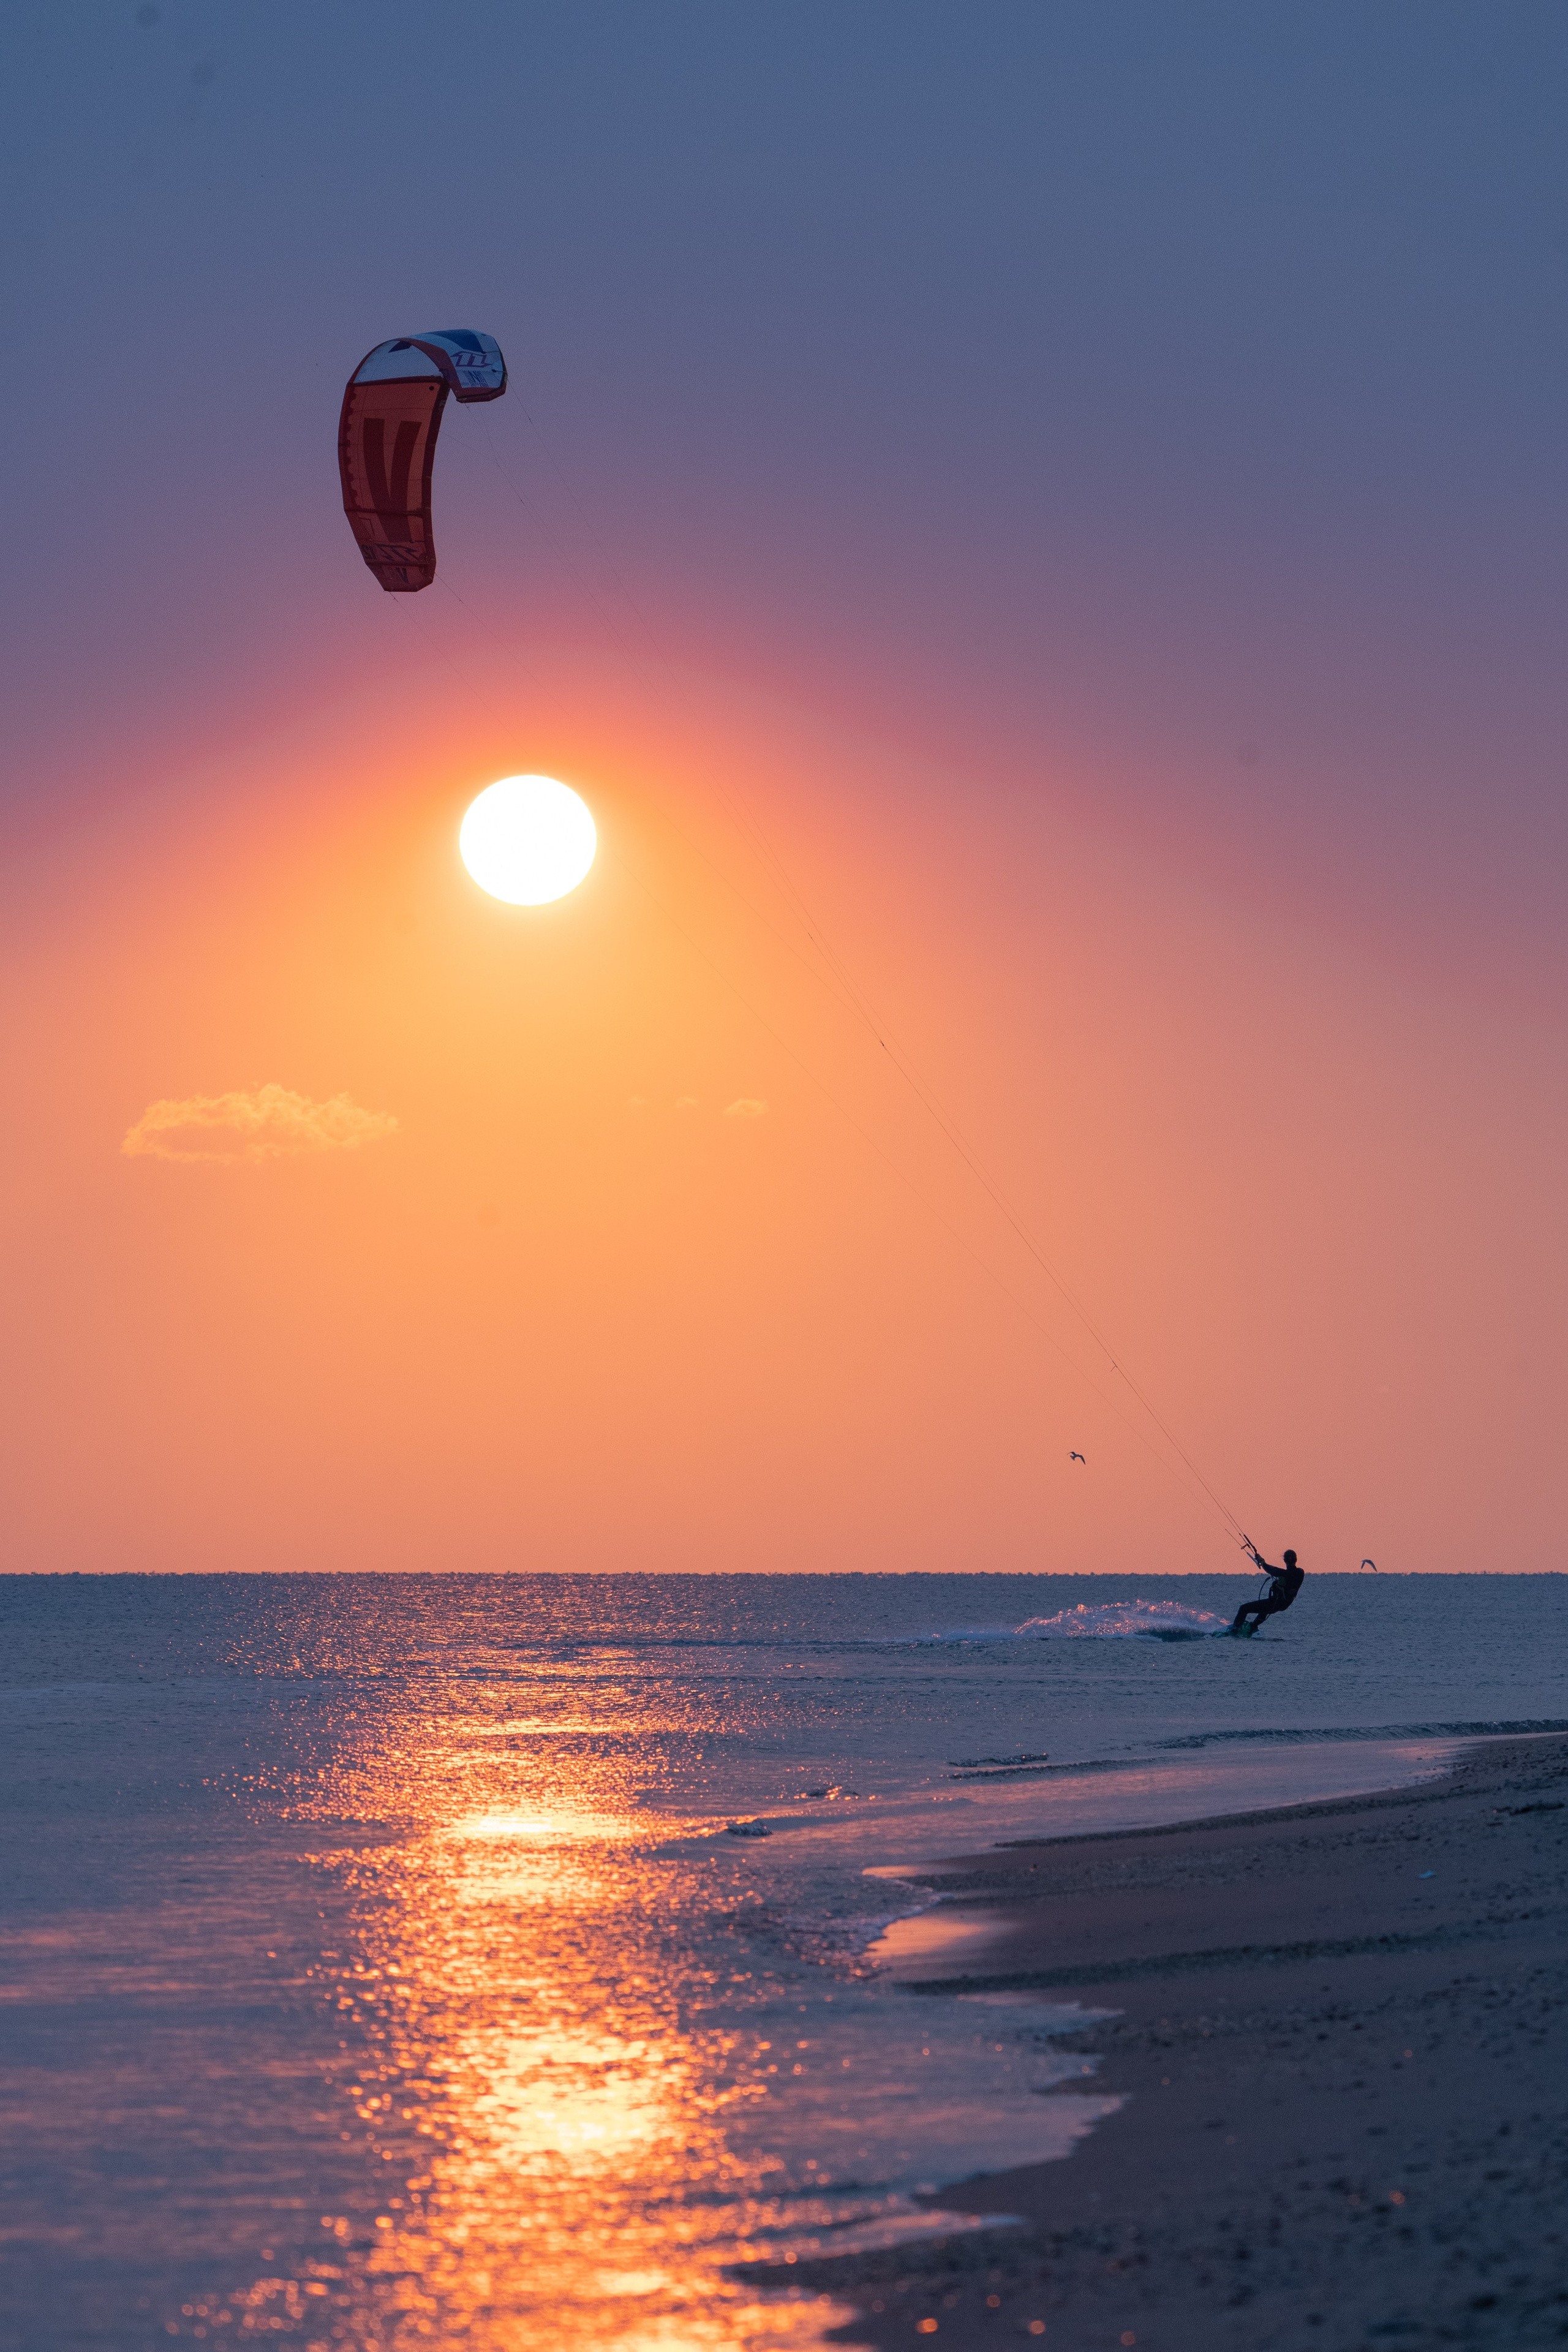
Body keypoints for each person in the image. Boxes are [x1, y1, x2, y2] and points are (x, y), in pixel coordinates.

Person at [1228, 1546, 1304, 1635]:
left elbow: (1273, 1570)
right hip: (1284, 1604)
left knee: (1244, 1609)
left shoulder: (1284, 1574)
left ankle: (1235, 1630)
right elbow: (1279, 1572)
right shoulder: (1300, 1572)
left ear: (1285, 1560)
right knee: (1265, 1610)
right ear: (1296, 1560)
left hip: (1275, 1603)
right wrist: (1262, 1561)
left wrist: (1262, 1561)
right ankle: (1253, 1627)